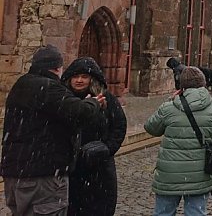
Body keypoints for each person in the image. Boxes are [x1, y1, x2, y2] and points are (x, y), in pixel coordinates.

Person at [2, 46, 105, 216]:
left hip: (15, 174)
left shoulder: (20, 84)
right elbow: (79, 112)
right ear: (58, 68)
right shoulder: (48, 87)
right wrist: (94, 102)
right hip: (43, 175)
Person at [145, 67, 212, 216]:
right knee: (196, 213)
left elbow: (151, 127)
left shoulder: (169, 107)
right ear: (203, 84)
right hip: (200, 174)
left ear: (181, 87)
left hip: (169, 174)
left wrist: (169, 101)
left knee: (163, 213)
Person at [61, 57, 127, 216]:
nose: (78, 80)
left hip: (100, 166)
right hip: (70, 166)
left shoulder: (107, 99)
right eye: (76, 77)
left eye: (84, 77)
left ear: (92, 79)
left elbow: (119, 126)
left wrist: (107, 148)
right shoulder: (64, 99)